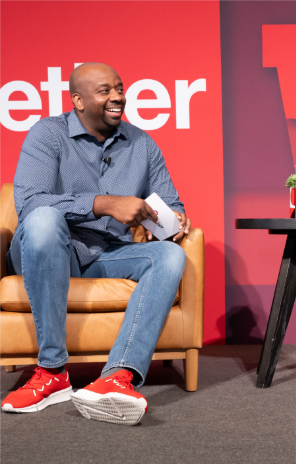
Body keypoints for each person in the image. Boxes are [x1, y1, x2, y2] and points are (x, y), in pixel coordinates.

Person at [1, 63, 192, 426]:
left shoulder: (142, 143)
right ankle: (52, 371)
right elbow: (29, 205)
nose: (118, 97)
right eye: (105, 90)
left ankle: (117, 377)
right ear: (78, 100)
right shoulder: (47, 135)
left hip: (105, 253)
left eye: (120, 88)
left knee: (168, 254)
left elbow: (171, 201)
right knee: (43, 219)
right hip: (49, 250)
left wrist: (175, 219)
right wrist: (103, 203)